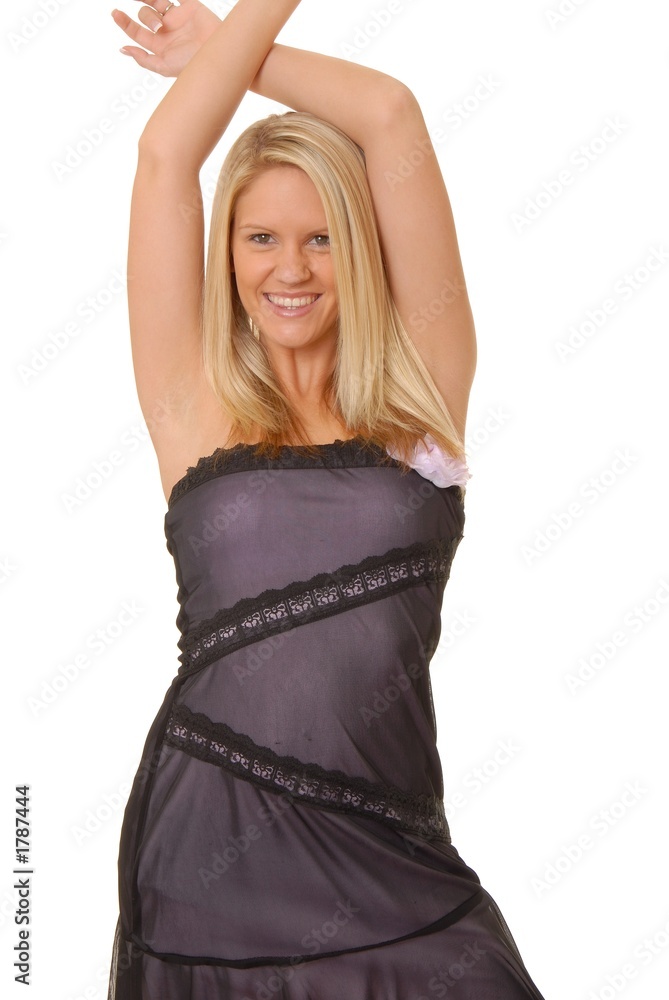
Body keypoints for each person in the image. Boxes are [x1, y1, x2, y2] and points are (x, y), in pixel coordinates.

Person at [107, 2, 547, 997]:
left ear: (358, 244)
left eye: (320, 239)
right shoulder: (192, 405)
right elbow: (166, 155)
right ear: (226, 252)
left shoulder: (423, 393)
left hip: (397, 857)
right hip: (209, 850)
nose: (290, 270)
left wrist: (229, 49)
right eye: (260, 237)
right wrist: (224, 52)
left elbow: (389, 114)